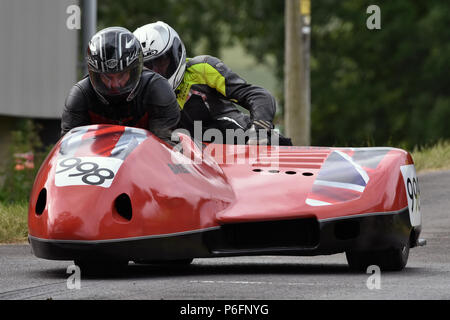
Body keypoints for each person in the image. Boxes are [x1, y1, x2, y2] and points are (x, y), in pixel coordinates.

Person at [133, 21, 292, 146]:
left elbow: (258, 95)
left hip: (240, 150)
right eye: (147, 67)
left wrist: (258, 130)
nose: (156, 73)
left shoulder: (203, 68)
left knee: (278, 143)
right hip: (188, 168)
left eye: (160, 63)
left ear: (175, 54)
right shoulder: (136, 96)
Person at [61, 27, 180, 144]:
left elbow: (165, 146)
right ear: (95, 74)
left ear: (134, 71)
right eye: (106, 77)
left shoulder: (157, 90)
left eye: (121, 76)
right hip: (98, 160)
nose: (114, 84)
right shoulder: (81, 95)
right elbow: (69, 147)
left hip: (146, 160)